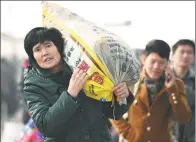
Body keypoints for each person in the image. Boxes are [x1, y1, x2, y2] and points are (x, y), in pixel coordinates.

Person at [23, 27, 135, 142]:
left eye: (48, 45)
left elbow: (112, 113)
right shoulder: (33, 86)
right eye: (37, 49)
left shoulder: (83, 67)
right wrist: (70, 94)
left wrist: (121, 96)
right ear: (33, 56)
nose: (45, 53)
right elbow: (46, 126)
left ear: (58, 47)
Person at [110, 39, 192, 142]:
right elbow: (112, 109)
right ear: (144, 60)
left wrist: (172, 89)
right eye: (153, 61)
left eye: (162, 62)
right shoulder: (131, 82)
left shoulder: (176, 84)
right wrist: (129, 134)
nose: (156, 66)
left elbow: (184, 118)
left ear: (167, 64)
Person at [170, 39, 195, 142]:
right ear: (172, 56)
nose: (185, 56)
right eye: (182, 52)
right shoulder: (161, 80)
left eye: (189, 52)